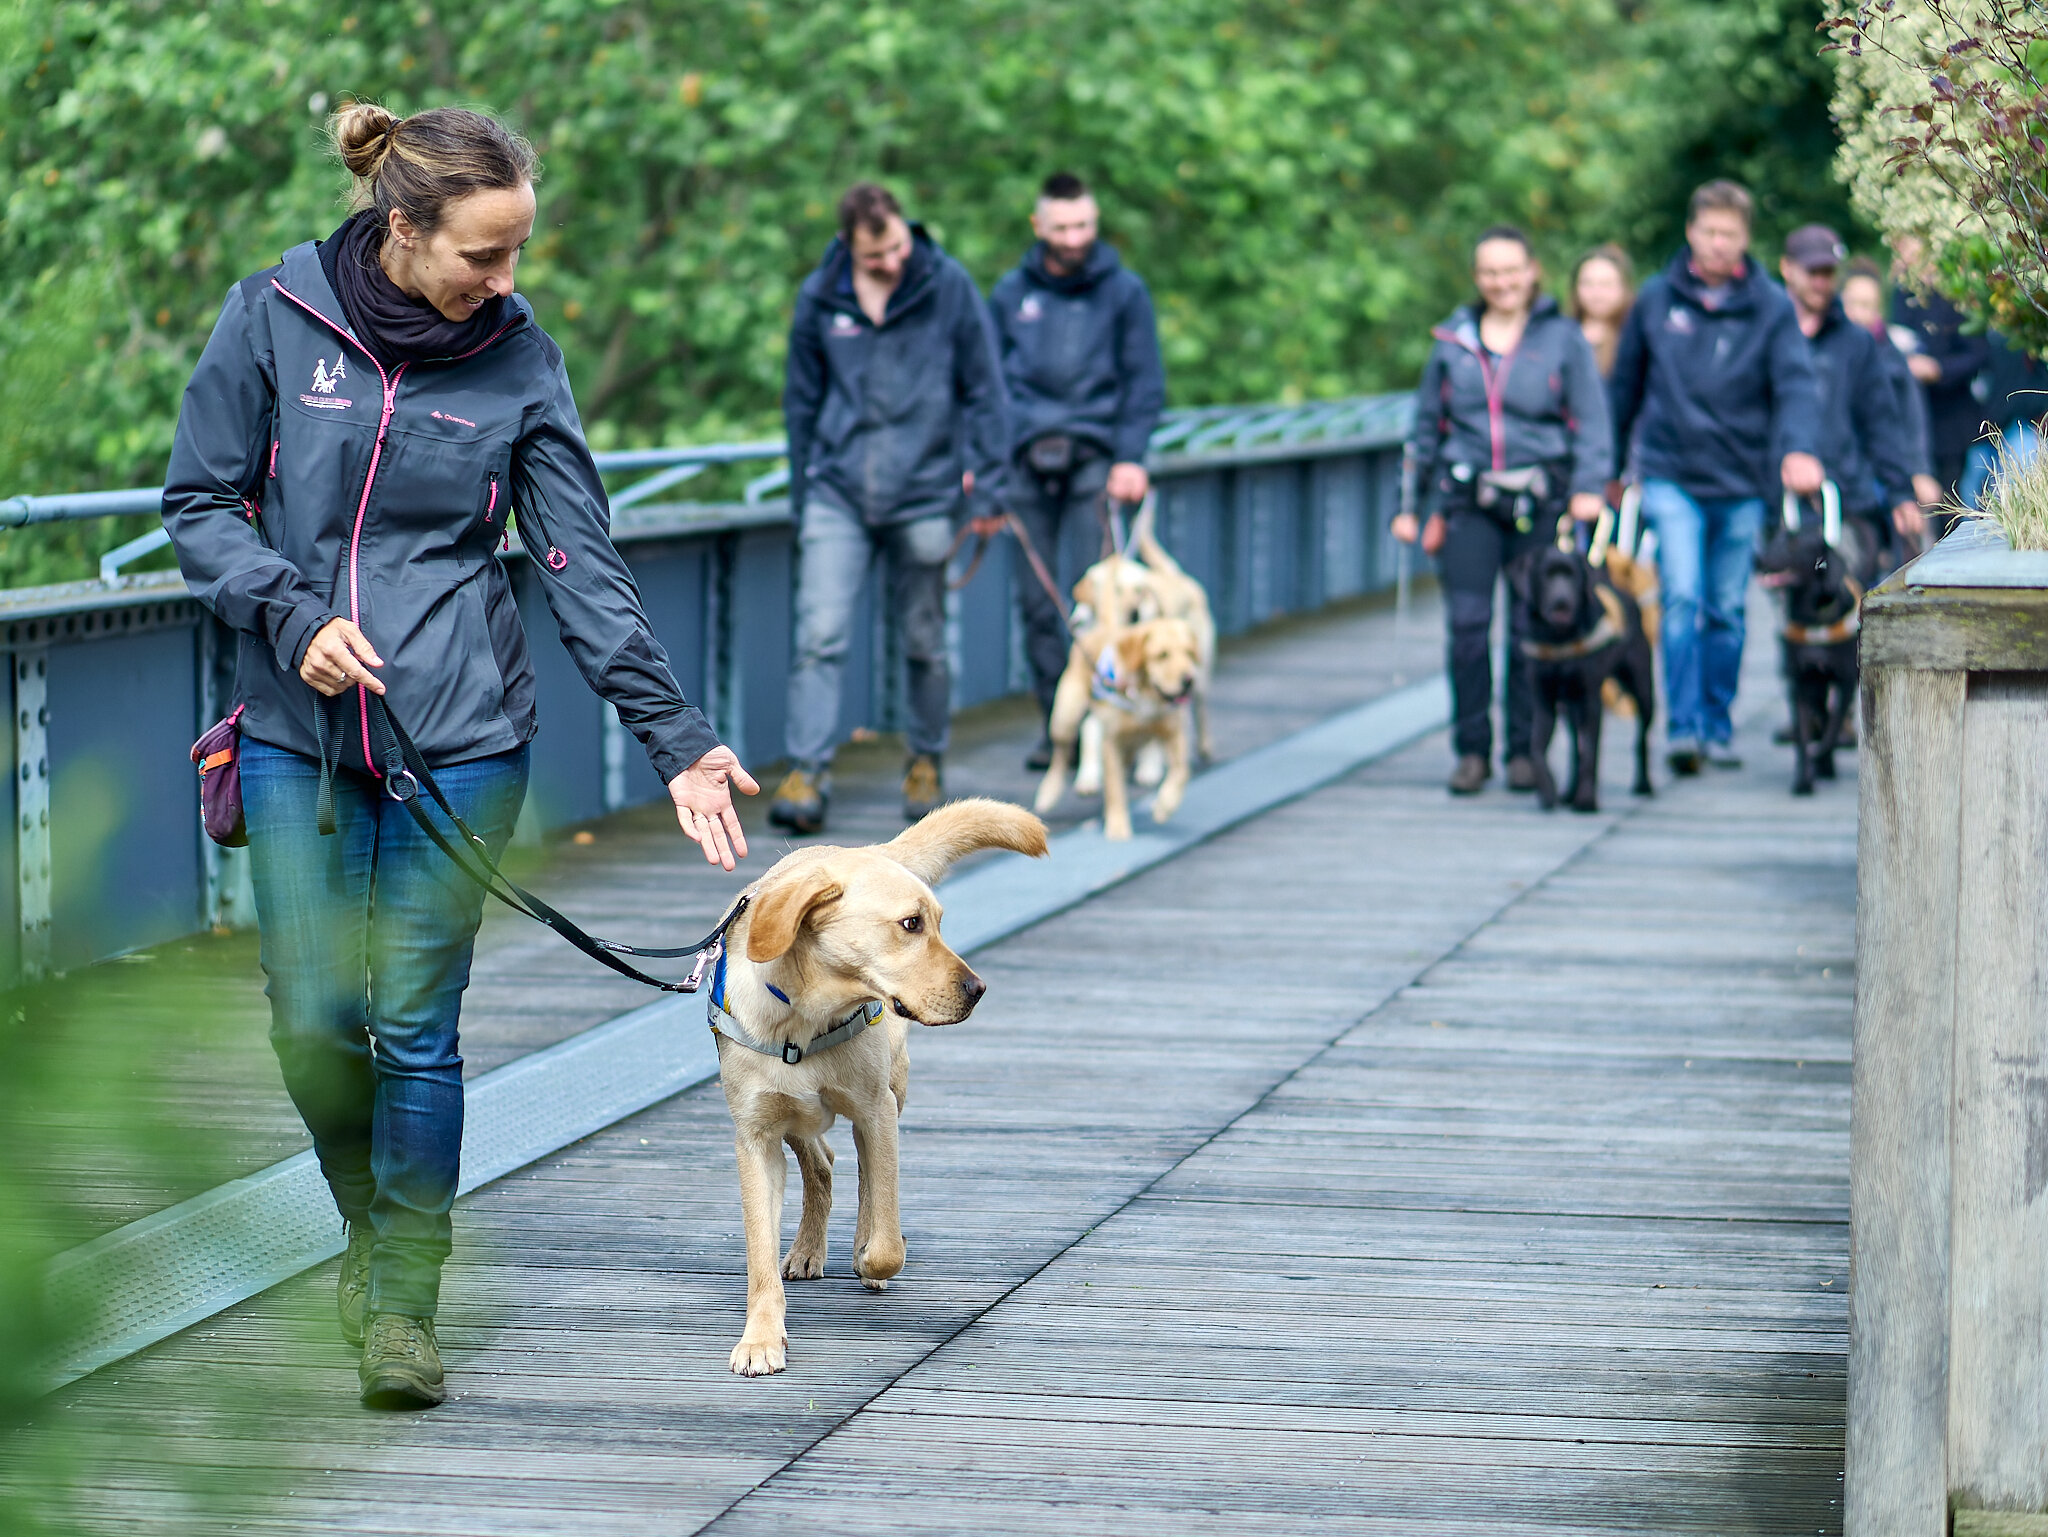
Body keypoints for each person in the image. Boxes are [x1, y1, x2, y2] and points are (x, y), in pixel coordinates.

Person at [160, 105, 757, 1409]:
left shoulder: (520, 358)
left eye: (520, 250)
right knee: (314, 1024)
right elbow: (197, 505)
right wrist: (292, 611)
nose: (508, 280)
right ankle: (372, 1232)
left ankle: (402, 1304)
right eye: (484, 256)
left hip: (464, 739)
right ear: (402, 228)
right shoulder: (271, 316)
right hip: (294, 732)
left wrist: (678, 738)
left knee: (418, 1030)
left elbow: (579, 560)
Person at [770, 182, 1009, 833]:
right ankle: (808, 771)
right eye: (878, 256)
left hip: (926, 490)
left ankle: (925, 759)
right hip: (837, 490)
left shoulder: (947, 284)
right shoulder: (822, 294)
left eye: (900, 245)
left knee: (925, 640)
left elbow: (986, 388)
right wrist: (803, 491)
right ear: (849, 245)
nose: (894, 261)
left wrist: (988, 485)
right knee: (820, 636)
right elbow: (801, 402)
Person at [1609, 180, 1823, 776]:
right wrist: (1604, 472)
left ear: (1745, 238)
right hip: (1670, 472)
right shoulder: (1655, 299)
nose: (1719, 243)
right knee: (1681, 596)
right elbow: (1623, 387)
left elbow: (1797, 386)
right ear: (1691, 232)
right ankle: (1682, 729)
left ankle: (1716, 723)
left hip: (1742, 480)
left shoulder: (1772, 304)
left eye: (1730, 234)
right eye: (1709, 232)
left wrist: (1800, 449)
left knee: (1727, 607)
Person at [1394, 225, 1613, 796]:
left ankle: (1523, 752)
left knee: (1527, 628)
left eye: (1511, 270)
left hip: (1539, 503)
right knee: (1467, 629)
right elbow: (1423, 429)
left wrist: (1590, 484)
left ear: (1532, 271)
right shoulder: (1453, 341)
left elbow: (1592, 419)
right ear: (1477, 278)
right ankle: (1472, 752)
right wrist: (1410, 507)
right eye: (1490, 272)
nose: (1502, 282)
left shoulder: (1562, 338)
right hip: (1468, 501)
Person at [988, 172, 1166, 768]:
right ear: (1039, 227)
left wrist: (1132, 457)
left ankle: (1113, 725)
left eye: (1084, 225)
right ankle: (1057, 728)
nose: (1074, 237)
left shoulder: (1124, 292)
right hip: (1025, 464)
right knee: (1040, 608)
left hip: (1097, 462)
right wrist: (983, 464)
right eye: (1062, 227)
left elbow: (1145, 382)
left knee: (1102, 605)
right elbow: (985, 384)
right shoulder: (1012, 294)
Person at [1776, 224, 1924, 586]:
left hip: (1846, 503)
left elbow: (1881, 422)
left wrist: (1901, 493)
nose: (1821, 282)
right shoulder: (1767, 332)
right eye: (1813, 272)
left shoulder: (1856, 342)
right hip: (1778, 506)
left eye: (1828, 273)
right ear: (1787, 269)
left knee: (1849, 611)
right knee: (1794, 624)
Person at [1840, 257, 1944, 530]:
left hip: (1886, 480)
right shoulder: (1823, 349)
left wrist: (1920, 471)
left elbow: (1911, 418)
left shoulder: (1892, 356)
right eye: (1854, 304)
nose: (1861, 314)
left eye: (1869, 306)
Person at [1889, 232, 1990, 503]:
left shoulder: (1953, 295)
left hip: (1954, 421)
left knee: (1956, 503)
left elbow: (1978, 353)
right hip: (1916, 420)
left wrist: (1938, 369)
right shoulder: (1901, 296)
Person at [1958, 329, 2048, 511]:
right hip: (1982, 429)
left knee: (2017, 484)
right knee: (1971, 490)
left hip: (2016, 424)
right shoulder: (1975, 337)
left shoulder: (2026, 336)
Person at [1568, 243, 1635, 378]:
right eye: (1588, 283)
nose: (1596, 293)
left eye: (1606, 284)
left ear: (1624, 287)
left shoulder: (1635, 339)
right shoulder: (1563, 334)